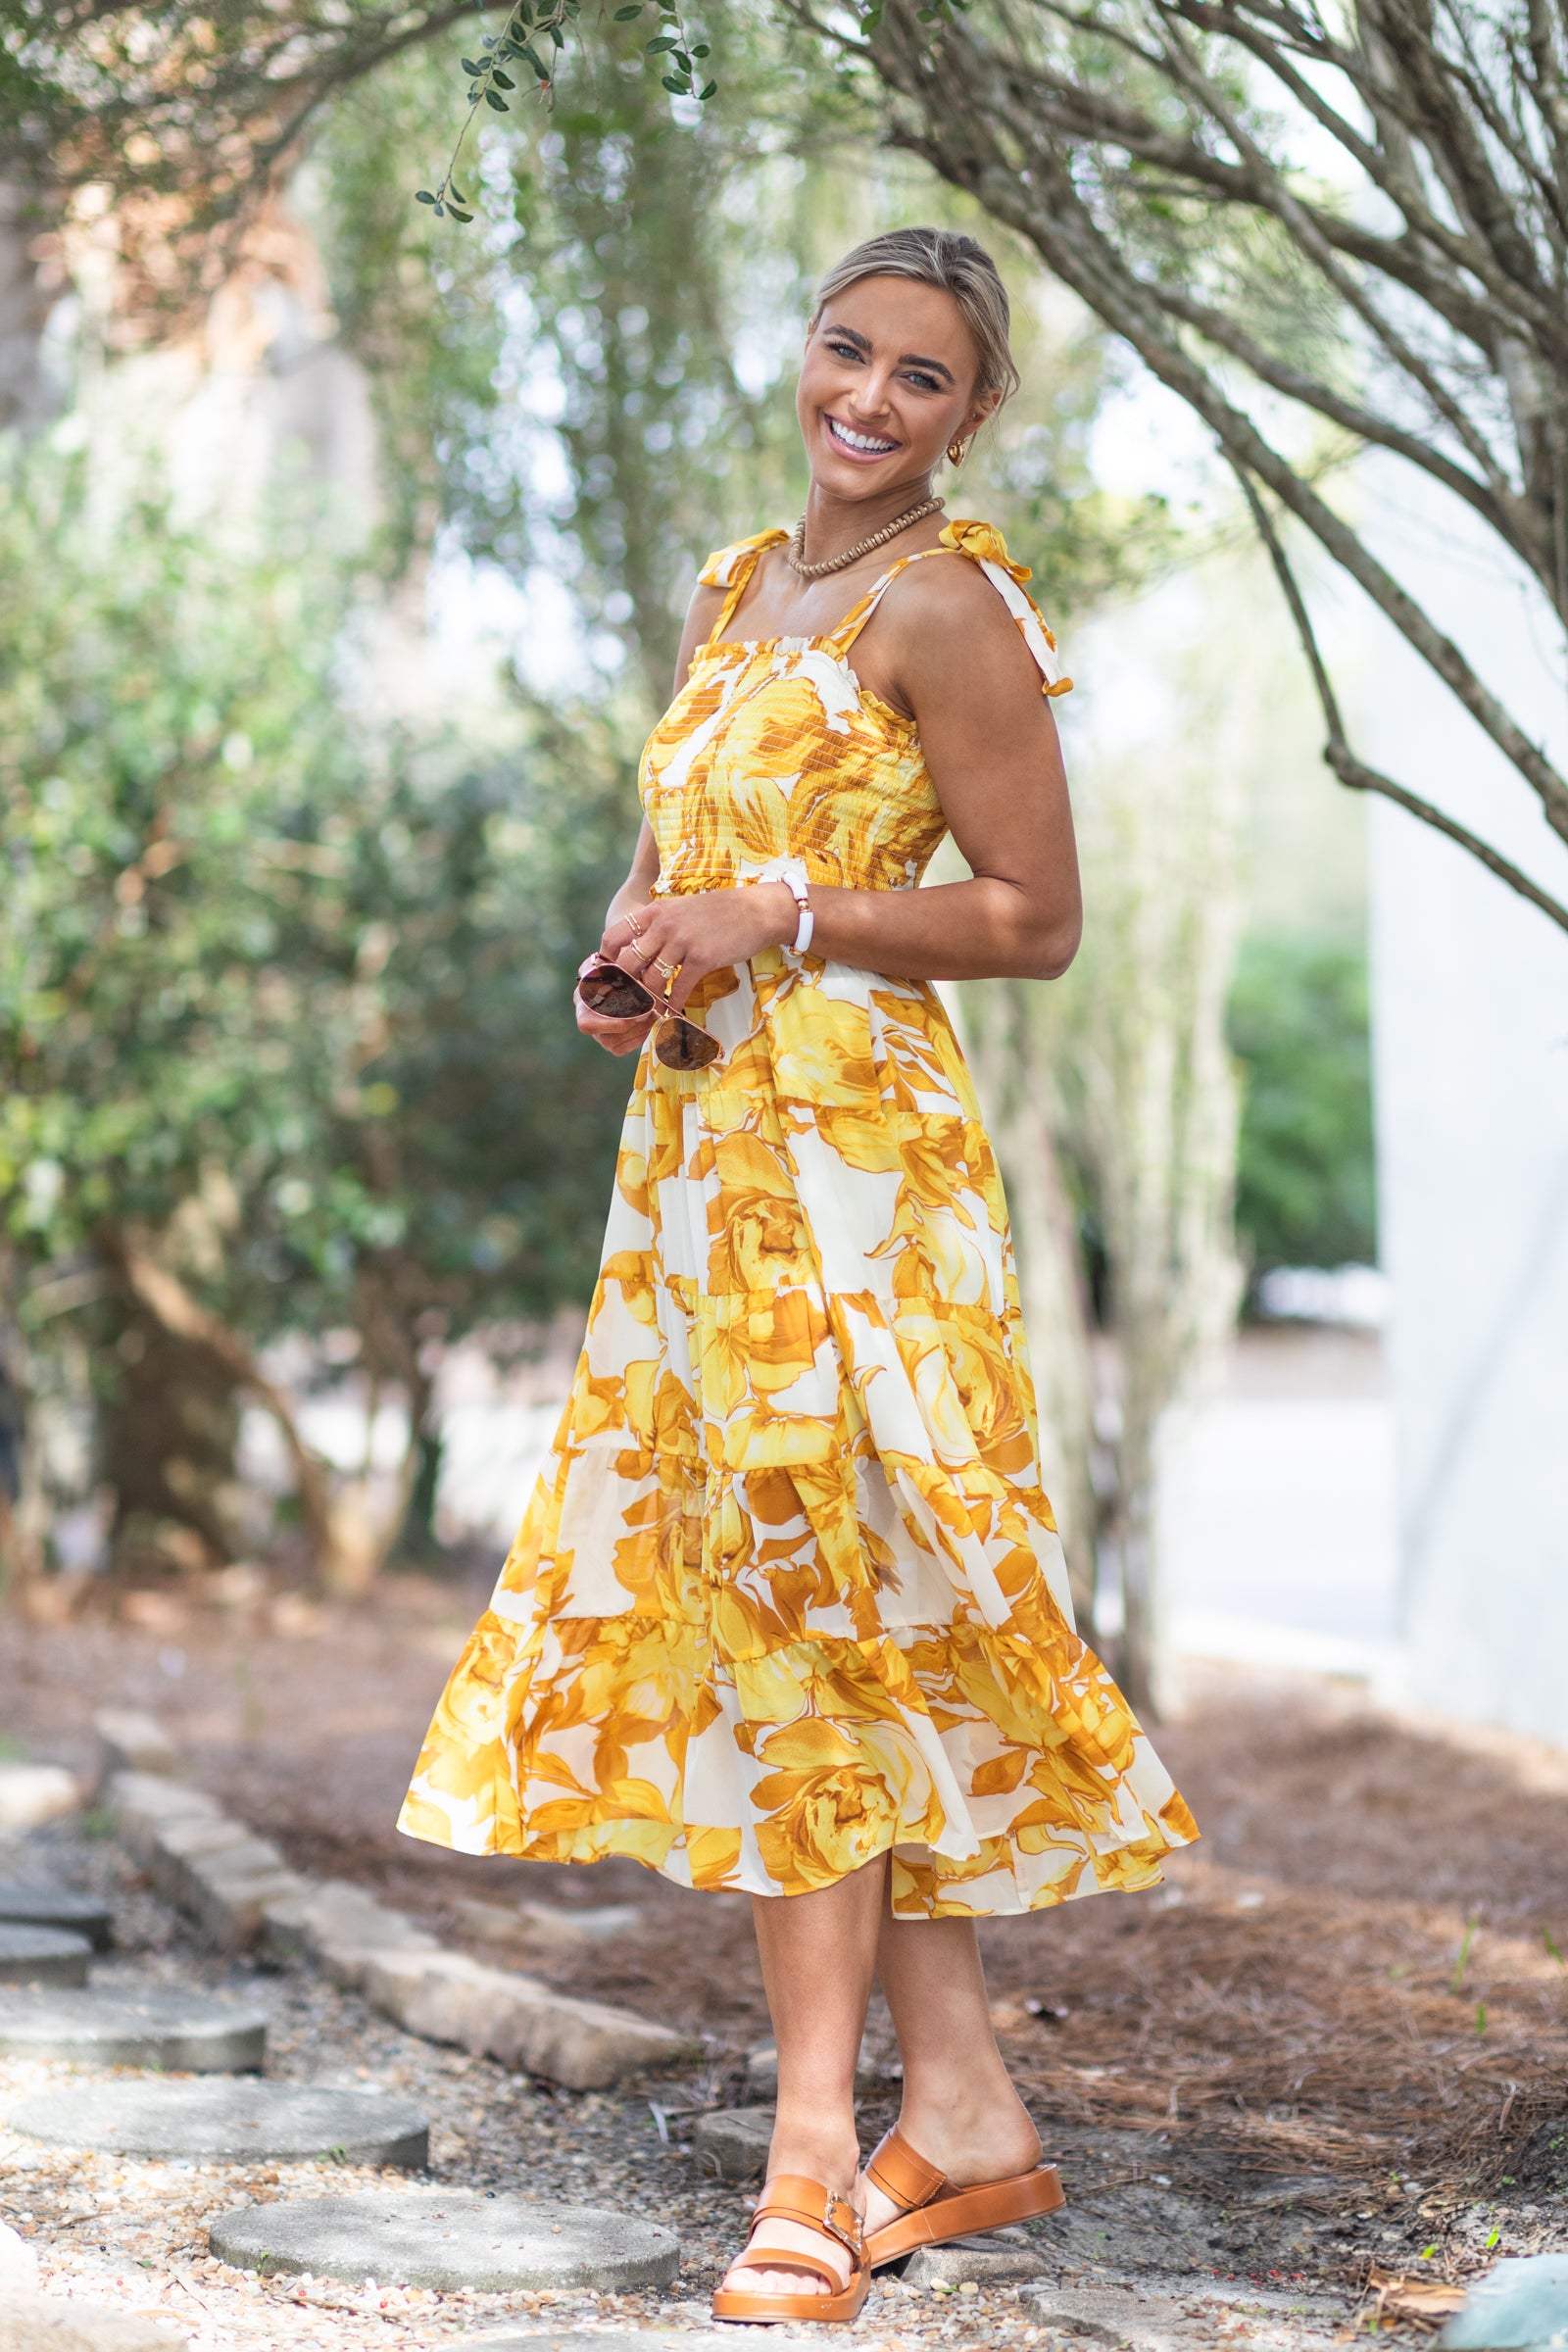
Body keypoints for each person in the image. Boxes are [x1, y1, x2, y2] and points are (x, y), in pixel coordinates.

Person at [400, 224, 1199, 2327]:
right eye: (844, 352)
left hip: (860, 1191)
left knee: (817, 1623)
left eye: (917, 377)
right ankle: (966, 2115)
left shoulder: (953, 607)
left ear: (971, 412)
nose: (865, 399)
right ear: (805, 354)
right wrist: (638, 947)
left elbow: (1030, 920)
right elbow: (674, 865)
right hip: (698, 1173)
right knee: (807, 1622)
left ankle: (812, 2164)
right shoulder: (738, 586)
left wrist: (780, 914)